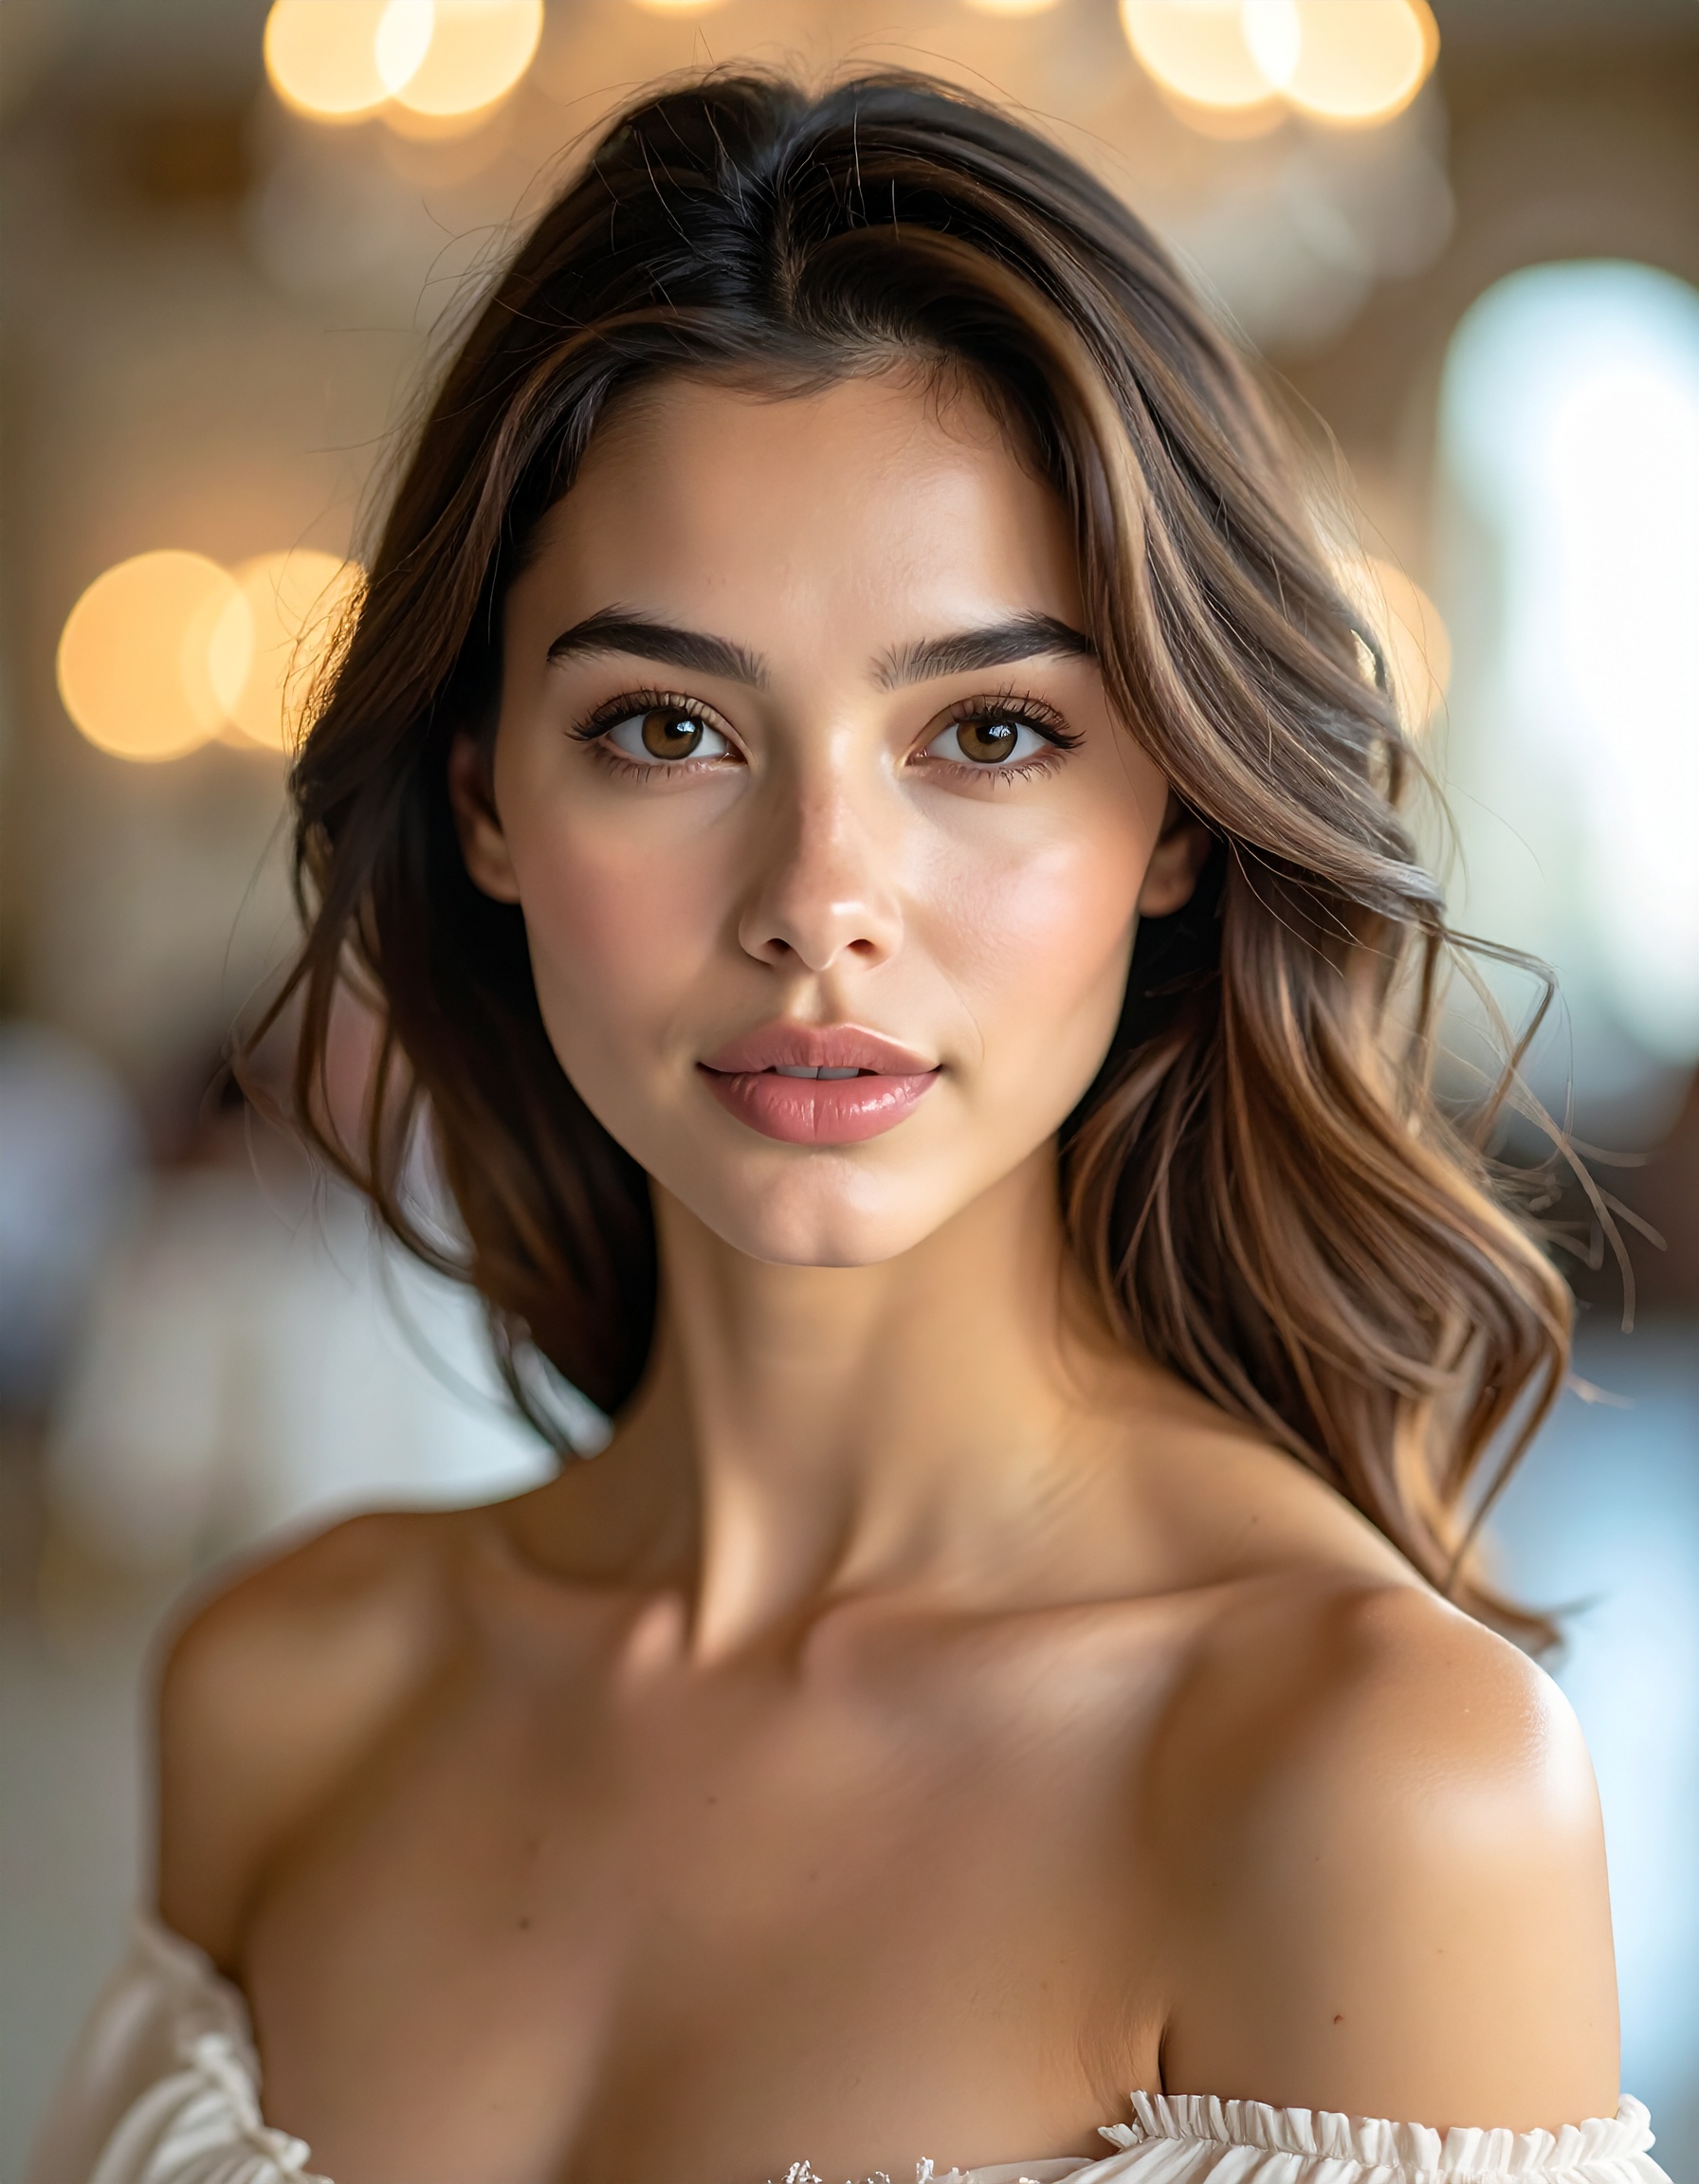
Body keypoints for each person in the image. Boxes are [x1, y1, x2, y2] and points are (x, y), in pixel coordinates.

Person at [28, 71, 1670, 2184]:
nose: (819, 897)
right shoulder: (287, 1692)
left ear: (1173, 820)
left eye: (986, 731)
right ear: (486, 799)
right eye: (666, 727)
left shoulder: (1369, 1782)